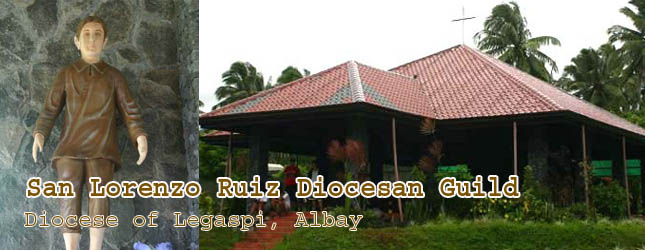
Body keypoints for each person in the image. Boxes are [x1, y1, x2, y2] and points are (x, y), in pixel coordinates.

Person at [31, 16, 148, 250]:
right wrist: (40, 132)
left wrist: (139, 135)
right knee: (68, 197)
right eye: (86, 34)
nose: (91, 39)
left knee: (100, 198)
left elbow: (129, 109)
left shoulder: (114, 76)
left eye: (97, 34)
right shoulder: (67, 73)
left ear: (105, 41)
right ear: (77, 41)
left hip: (102, 149)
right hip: (69, 148)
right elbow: (50, 108)